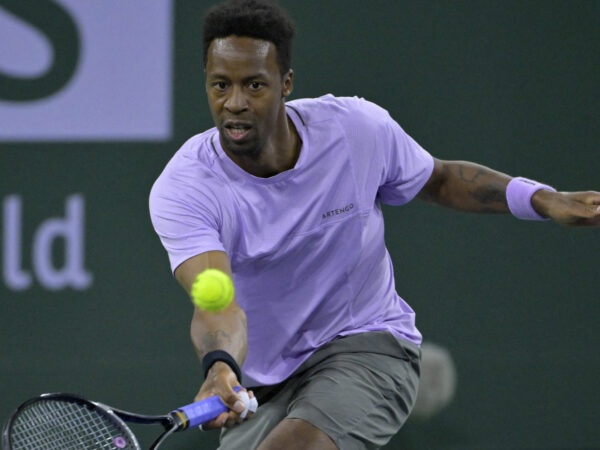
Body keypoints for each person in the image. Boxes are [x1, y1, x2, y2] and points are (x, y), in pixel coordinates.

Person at [149, 0, 600, 448]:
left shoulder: (355, 130)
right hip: (264, 385)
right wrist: (221, 366)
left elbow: (439, 179)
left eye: (254, 85)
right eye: (220, 85)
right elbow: (216, 300)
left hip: (367, 346)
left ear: (286, 84)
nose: (235, 103)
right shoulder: (187, 187)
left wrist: (542, 199)